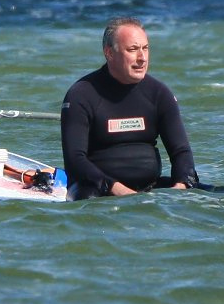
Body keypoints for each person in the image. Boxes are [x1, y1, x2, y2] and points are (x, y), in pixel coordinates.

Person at [60, 16, 199, 200]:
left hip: (149, 187)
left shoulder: (159, 93)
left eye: (145, 48)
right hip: (96, 189)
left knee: (220, 194)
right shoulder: (81, 95)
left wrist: (180, 188)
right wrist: (118, 190)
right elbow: (75, 161)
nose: (142, 58)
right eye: (132, 49)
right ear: (109, 53)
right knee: (89, 195)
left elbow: (181, 152)